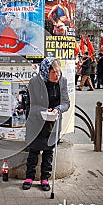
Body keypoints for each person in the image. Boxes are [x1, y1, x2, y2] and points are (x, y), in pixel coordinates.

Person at [22, 57, 70, 191]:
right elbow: (29, 105)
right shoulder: (34, 83)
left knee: (49, 151)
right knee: (34, 151)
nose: (57, 75)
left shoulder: (62, 81)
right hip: (36, 122)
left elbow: (66, 102)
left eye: (58, 72)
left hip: (53, 122)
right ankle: (29, 177)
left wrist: (58, 109)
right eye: (54, 72)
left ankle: (45, 178)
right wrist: (43, 110)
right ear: (45, 71)